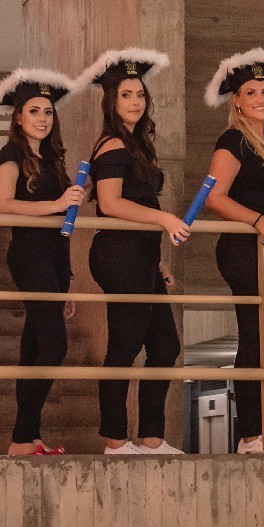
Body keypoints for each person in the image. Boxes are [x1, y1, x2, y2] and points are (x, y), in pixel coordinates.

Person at [75, 48, 189, 455]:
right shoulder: (110, 145)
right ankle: (114, 440)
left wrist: (156, 258)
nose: (136, 101)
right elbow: (110, 204)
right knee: (126, 344)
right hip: (118, 254)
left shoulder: (136, 144)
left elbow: (139, 205)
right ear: (111, 101)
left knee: (165, 346)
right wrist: (165, 221)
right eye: (126, 94)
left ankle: (153, 439)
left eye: (140, 94)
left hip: (140, 255)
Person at [204, 48, 264, 452]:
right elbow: (214, 197)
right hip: (246, 248)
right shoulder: (233, 139)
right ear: (237, 101)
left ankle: (258, 428)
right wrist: (259, 221)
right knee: (257, 339)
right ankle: (250, 436)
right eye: (251, 92)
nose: (261, 97)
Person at [0, 67, 85, 457]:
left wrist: (70, 279)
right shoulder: (11, 153)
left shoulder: (54, 158)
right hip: (27, 253)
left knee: (34, 345)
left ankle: (26, 439)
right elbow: (2, 206)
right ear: (19, 117)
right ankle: (22, 435)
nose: (42, 118)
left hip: (56, 257)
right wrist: (59, 203)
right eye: (34, 111)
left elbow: (63, 225)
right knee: (54, 345)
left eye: (47, 112)